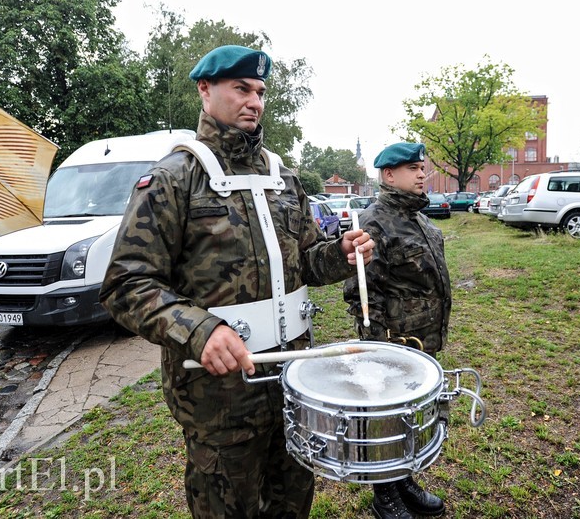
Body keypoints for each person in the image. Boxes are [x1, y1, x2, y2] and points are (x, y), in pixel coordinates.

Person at [99, 44, 374, 518]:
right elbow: (126, 284)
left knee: (293, 502)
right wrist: (200, 330)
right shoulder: (174, 178)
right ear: (205, 90)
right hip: (219, 399)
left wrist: (340, 254)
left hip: (294, 383)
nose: (255, 102)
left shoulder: (282, 177)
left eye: (261, 92)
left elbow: (304, 261)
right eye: (241, 89)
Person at [343, 142, 451, 519]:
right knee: (385, 421)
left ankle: (404, 480)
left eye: (423, 167)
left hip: (423, 342)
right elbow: (359, 292)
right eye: (412, 168)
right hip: (392, 344)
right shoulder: (374, 221)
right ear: (389, 175)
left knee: (411, 418)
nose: (422, 174)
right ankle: (384, 495)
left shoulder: (419, 218)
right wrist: (379, 346)